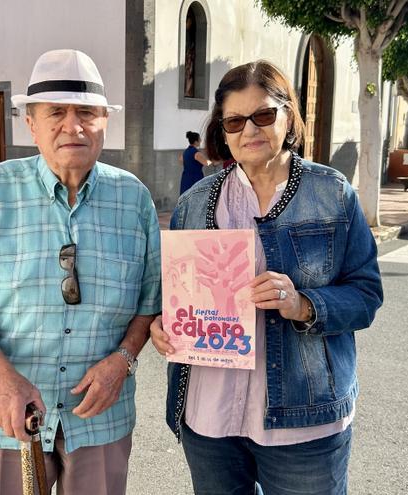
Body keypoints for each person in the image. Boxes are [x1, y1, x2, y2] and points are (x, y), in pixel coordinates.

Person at [0, 49, 161, 495]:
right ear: (30, 123)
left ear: (104, 123)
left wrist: (123, 360)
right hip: (3, 413)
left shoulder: (134, 200)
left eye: (87, 113)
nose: (72, 126)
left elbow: (148, 306)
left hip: (99, 416)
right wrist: (3, 379)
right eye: (55, 112)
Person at [150, 60, 383, 494]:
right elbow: (175, 290)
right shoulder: (195, 203)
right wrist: (163, 324)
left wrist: (303, 305)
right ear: (222, 129)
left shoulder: (331, 195)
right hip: (210, 418)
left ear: (288, 115)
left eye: (263, 115)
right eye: (235, 121)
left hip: (302, 423)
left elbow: (366, 294)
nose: (249, 131)